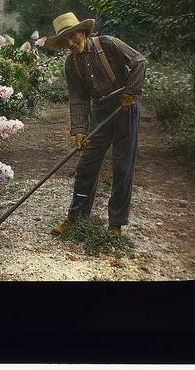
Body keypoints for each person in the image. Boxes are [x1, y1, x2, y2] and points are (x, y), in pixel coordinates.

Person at [43, 12, 147, 238]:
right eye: (65, 40)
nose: (71, 42)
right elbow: (79, 99)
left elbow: (139, 61)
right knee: (86, 166)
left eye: (73, 36)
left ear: (82, 32)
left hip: (125, 106)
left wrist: (130, 92)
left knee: (122, 166)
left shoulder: (108, 44)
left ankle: (116, 224)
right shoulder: (71, 64)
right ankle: (76, 218)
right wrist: (80, 131)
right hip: (99, 111)